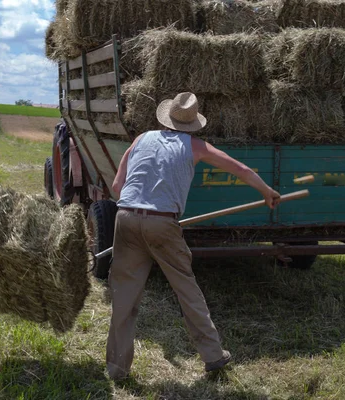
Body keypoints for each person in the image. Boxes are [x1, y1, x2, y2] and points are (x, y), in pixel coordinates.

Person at [106, 92, 281, 379]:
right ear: (191, 124)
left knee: (124, 295)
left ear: (166, 117)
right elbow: (240, 169)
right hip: (162, 223)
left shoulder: (140, 139)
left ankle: (116, 368)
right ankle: (213, 356)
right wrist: (267, 192)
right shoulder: (196, 146)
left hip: (124, 217)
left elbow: (117, 186)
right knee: (187, 290)